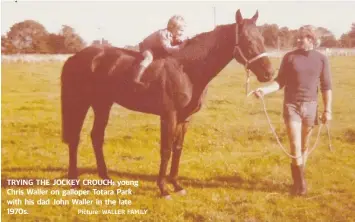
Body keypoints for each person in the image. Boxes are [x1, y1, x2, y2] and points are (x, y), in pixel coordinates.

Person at [252, 25, 332, 196]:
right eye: (297, 37)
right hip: (292, 106)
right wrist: (264, 90)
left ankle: (297, 182)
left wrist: (328, 110)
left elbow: (326, 87)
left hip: (311, 106)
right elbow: (280, 81)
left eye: (301, 38)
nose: (297, 40)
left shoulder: (321, 59)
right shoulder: (289, 57)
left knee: (304, 146)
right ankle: (301, 185)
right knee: (295, 145)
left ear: (310, 39)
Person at [132, 15, 189, 89]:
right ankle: (136, 78)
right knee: (149, 58)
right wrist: (181, 46)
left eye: (183, 31)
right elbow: (169, 49)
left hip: (158, 49)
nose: (182, 33)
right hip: (146, 47)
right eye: (180, 30)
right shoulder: (163, 34)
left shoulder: (173, 35)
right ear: (172, 28)